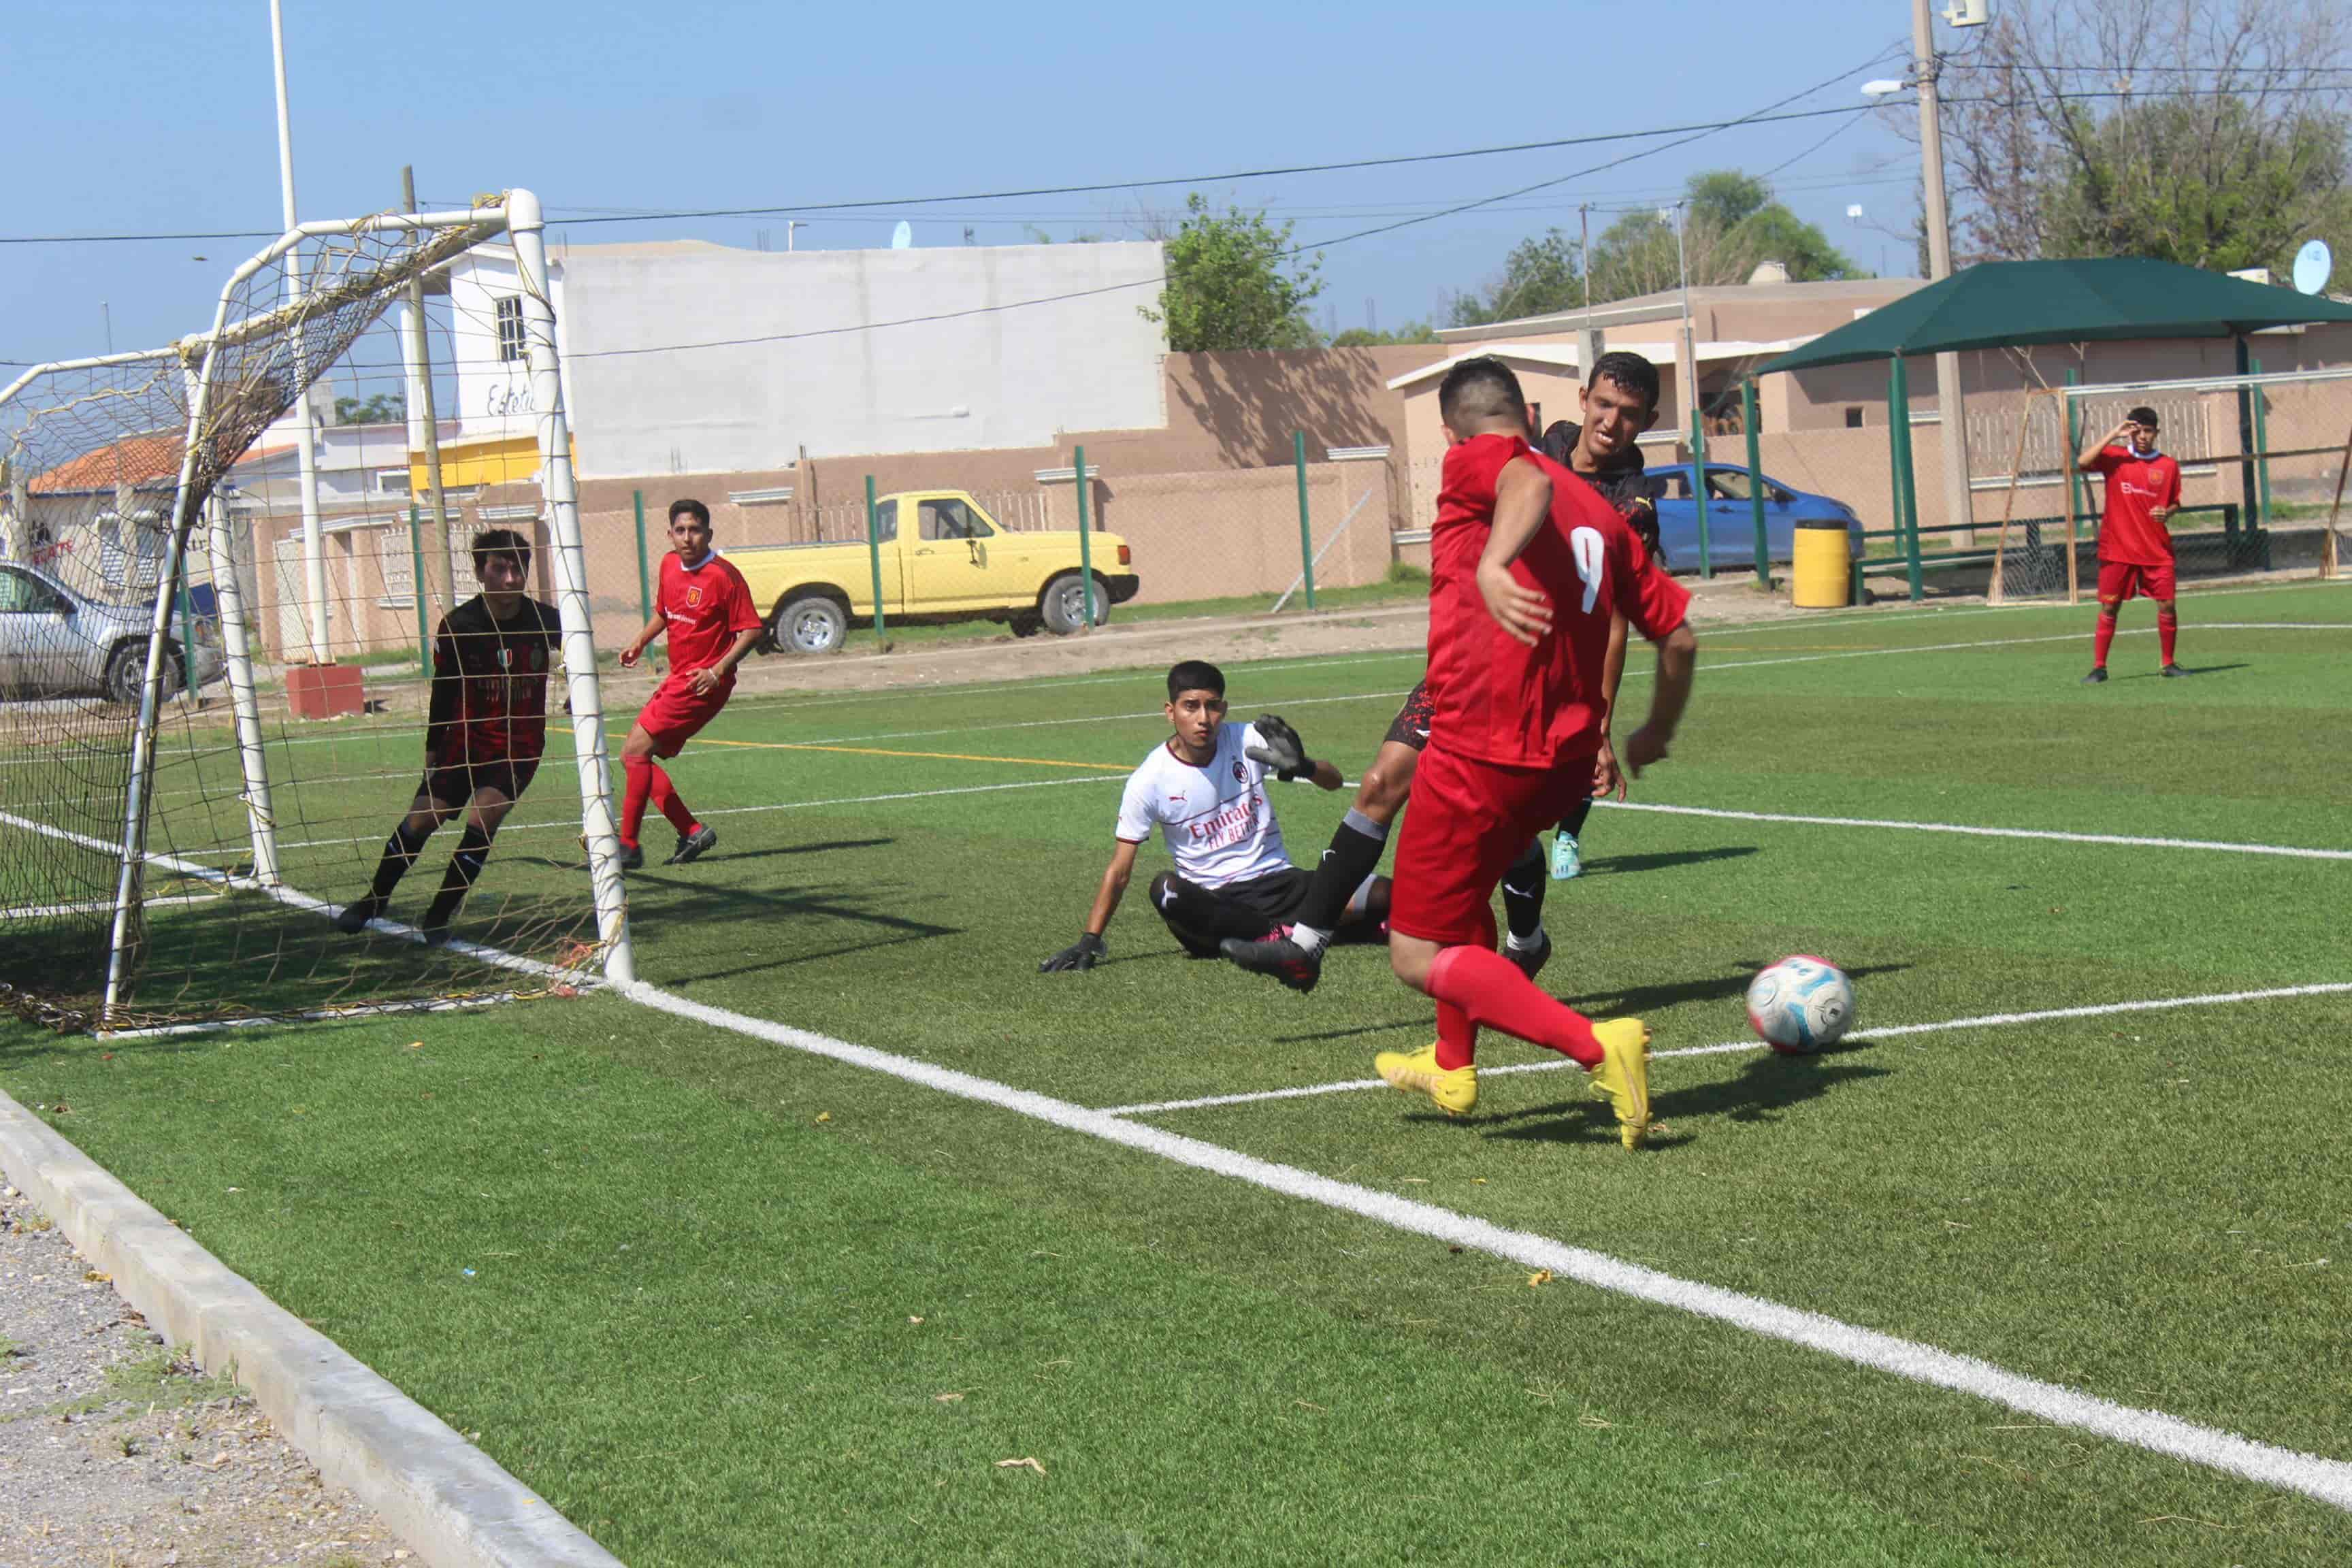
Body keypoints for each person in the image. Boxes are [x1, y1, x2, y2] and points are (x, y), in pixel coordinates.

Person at [1220, 352, 1671, 993]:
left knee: (1500, 826)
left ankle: (1525, 940)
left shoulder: (1631, 507)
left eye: (1628, 416)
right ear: (1582, 398)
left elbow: (1617, 623)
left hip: (1533, 692)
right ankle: (1305, 943)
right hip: (1465, 669)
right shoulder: (1546, 446)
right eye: (1602, 404)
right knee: (1381, 781)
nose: (1610, 422)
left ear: (1648, 421)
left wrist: (1600, 726)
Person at [1374, 356, 1696, 1149]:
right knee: (1466, 911)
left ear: (1454, 432)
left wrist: (1490, 564)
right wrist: (1654, 730)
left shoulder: (1499, 464)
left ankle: (1598, 1049)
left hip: (1481, 751)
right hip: (1557, 766)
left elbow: (1528, 486)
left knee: (1417, 955)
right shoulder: (1607, 512)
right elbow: (1679, 636)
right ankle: (1453, 1065)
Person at [1039, 660, 1386, 973]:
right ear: (1170, 711)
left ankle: (1291, 933)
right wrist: (1090, 938)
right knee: (1167, 891)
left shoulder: (1249, 739)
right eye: (1191, 706)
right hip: (1217, 903)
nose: (1204, 718)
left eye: (1213, 706)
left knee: (1387, 893)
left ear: (1224, 708)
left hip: (1283, 884)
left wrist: (1306, 766)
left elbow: (1335, 782)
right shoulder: (1149, 780)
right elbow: (1120, 870)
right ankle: (1312, 929)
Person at [334, 529, 561, 943]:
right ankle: (374, 899)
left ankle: (439, 915)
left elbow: (578, 664)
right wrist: (433, 747)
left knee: (483, 818)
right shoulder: (460, 625)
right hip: (463, 744)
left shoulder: (548, 622)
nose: (511, 579)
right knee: (421, 820)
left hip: (518, 746)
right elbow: (443, 690)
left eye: (519, 568)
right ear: (479, 572)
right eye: (500, 568)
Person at [615, 498, 765, 869]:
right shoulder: (668, 565)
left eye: (695, 530)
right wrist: (639, 641)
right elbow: (664, 613)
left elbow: (752, 630)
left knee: (633, 753)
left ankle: (628, 847)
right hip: (677, 677)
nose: (687, 538)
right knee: (637, 757)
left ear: (708, 533)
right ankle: (691, 831)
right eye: (680, 530)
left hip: (702, 684)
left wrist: (717, 670)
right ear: (670, 534)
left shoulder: (723, 576)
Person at [2075, 404, 2184, 683]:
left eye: (2148, 431)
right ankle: (2099, 667)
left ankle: (2168, 663)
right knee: (2110, 608)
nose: (2143, 437)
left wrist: (2167, 513)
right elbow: (2081, 462)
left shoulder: (2168, 466)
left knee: (2167, 606)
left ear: (2156, 433)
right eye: (2137, 431)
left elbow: (2174, 503)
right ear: (2130, 433)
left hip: (2156, 550)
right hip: (2118, 550)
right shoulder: (2115, 458)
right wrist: (2114, 434)